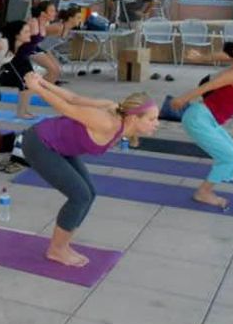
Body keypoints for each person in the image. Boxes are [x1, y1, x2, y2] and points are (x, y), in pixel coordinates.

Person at [22, 74, 158, 266]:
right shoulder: (107, 122)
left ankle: (63, 244)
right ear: (134, 118)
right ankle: (56, 250)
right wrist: (37, 89)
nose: (157, 123)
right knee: (80, 196)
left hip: (61, 147)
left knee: (89, 193)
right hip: (40, 143)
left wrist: (44, 82)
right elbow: (66, 107)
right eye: (152, 119)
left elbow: (74, 98)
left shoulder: (114, 110)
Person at [171, 35, 233, 208]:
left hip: (210, 120)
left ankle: (210, 184)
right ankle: (203, 193)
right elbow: (207, 87)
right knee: (232, 158)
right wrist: (182, 99)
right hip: (199, 118)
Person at [0, 19, 40, 120]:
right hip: (14, 62)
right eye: (26, 32)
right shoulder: (8, 44)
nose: (29, 33)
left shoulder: (24, 41)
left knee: (31, 84)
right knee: (25, 86)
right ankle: (21, 112)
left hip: (23, 60)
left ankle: (25, 110)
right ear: (17, 35)